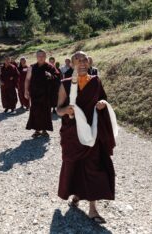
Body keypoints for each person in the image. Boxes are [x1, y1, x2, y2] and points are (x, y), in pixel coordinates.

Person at [57, 51, 116, 224]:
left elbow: (103, 99)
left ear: (88, 63)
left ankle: (92, 208)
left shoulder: (96, 81)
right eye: (78, 60)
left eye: (84, 60)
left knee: (93, 167)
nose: (82, 63)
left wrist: (103, 104)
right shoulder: (65, 84)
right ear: (72, 64)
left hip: (92, 131)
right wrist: (65, 110)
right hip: (72, 134)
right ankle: (77, 194)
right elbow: (58, 109)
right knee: (74, 165)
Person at [25, 49, 59, 138]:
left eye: (43, 56)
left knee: (46, 112)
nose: (41, 58)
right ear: (36, 57)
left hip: (46, 94)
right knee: (35, 111)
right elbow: (28, 79)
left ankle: (44, 130)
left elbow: (58, 77)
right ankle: (37, 130)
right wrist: (26, 90)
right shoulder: (32, 67)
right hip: (35, 93)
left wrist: (51, 76)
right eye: (39, 56)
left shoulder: (50, 67)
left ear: (45, 57)